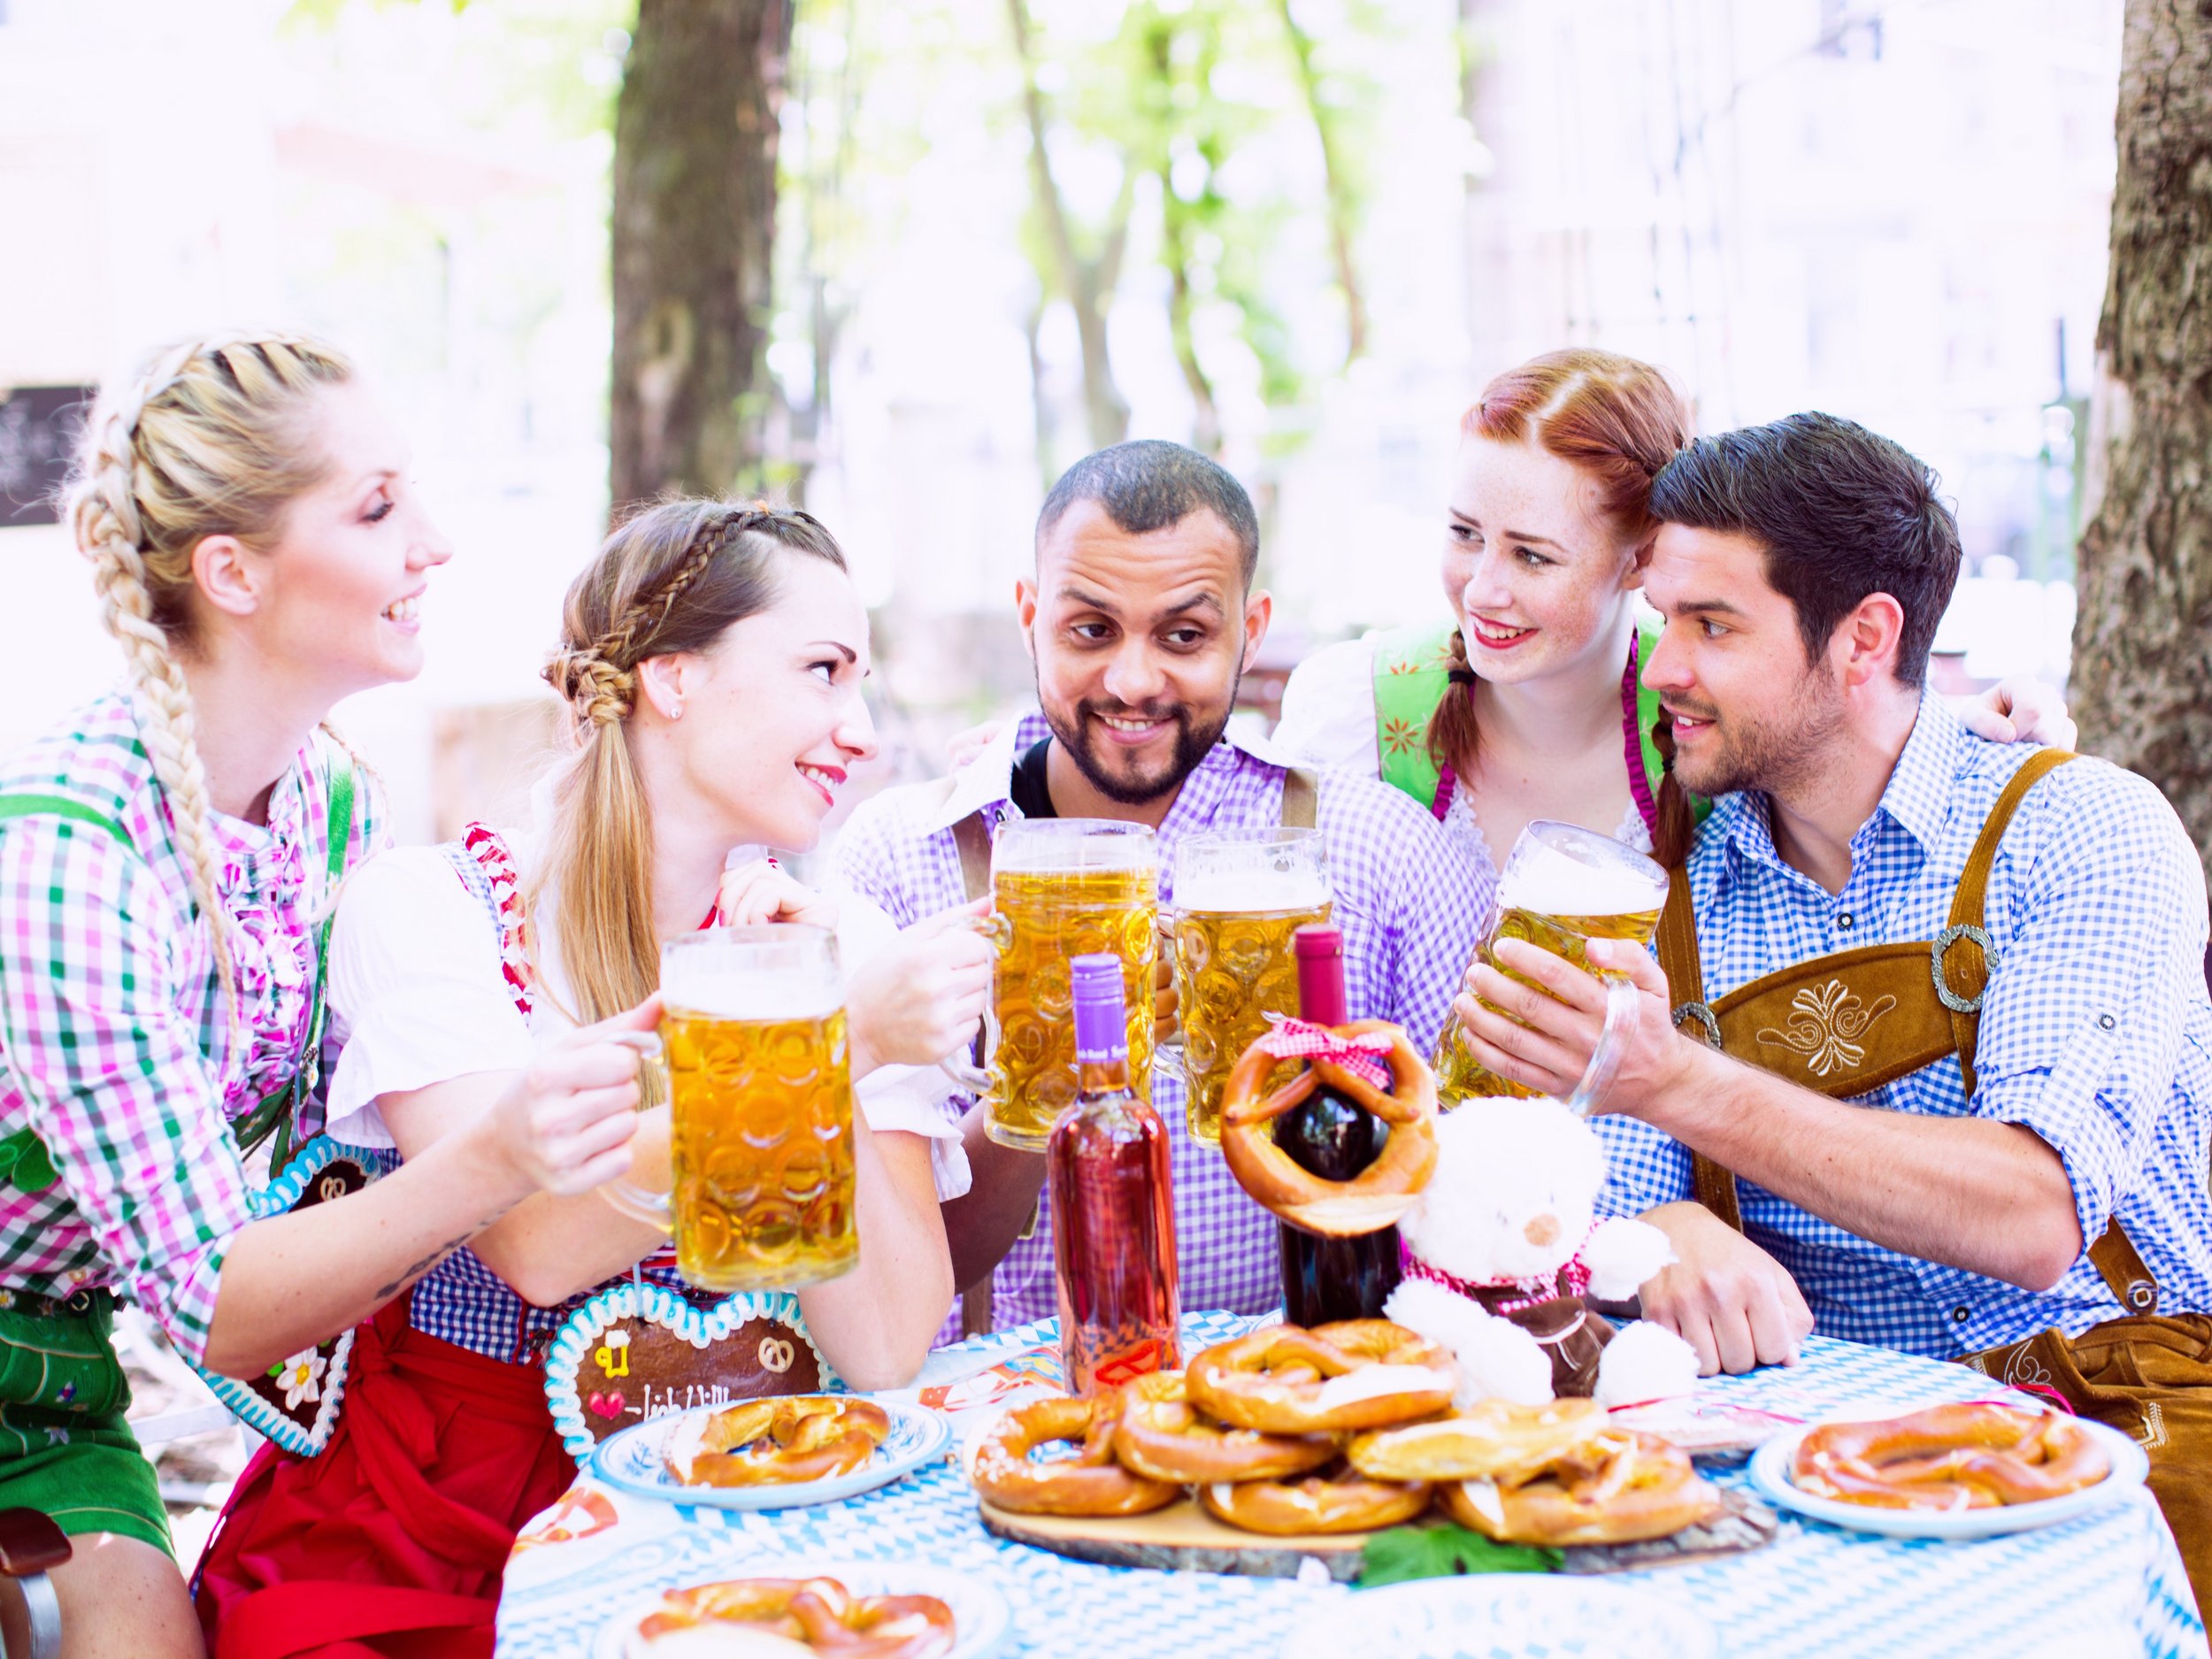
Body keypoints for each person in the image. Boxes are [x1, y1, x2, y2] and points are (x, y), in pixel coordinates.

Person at [194, 499, 985, 1658]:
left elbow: (884, 1348)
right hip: (448, 1519)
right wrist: (821, 1046)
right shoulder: (430, 912)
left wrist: (818, 1009)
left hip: (741, 1497)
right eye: (822, 670)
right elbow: (538, 1244)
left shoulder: (839, 943)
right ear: (673, 678)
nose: (858, 728)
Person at [0, 335, 652, 1659]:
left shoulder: (329, 800)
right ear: (232, 572)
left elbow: (330, 1173)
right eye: (375, 507)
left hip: (55, 1378)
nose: (437, 541)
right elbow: (221, 1304)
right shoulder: (68, 845)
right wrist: (500, 1155)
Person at [1453, 411, 2212, 1379]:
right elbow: (1604, 1201)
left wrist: (1681, 1083)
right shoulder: (1662, 889)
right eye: (1662, 621)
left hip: (2121, 1430)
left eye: (1712, 626)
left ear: (1864, 639)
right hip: (1819, 1455)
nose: (1664, 670)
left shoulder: (2081, 830)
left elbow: (2034, 1214)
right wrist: (1657, 1227)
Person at [833, 440, 1486, 1333]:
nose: (1133, 681)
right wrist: (1054, 1062)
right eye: (1090, 630)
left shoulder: (1376, 850)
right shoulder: (898, 857)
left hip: (1293, 1404)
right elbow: (900, 1278)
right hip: (985, 1426)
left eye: (1183, 635)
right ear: (1029, 616)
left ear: (1250, 630)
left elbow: (1476, 1188)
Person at [1271, 348, 2074, 879]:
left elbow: (1843, 725)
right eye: (1464, 534)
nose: (1482, 589)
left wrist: (1977, 719)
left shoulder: (1712, 708)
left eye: (1531, 555)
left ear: (1644, 556)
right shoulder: (1356, 710)